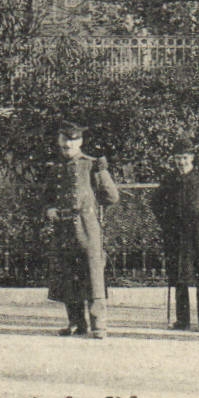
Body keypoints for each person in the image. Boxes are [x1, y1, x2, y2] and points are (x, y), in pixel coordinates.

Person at [45, 123, 121, 339]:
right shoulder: (55, 167)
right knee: (69, 275)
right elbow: (48, 196)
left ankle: (99, 324)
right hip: (63, 228)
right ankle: (76, 323)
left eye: (72, 140)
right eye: (64, 141)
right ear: (59, 142)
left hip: (86, 227)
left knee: (92, 274)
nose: (67, 144)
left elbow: (112, 197)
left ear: (79, 142)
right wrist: (49, 208)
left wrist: (102, 172)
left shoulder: (90, 165)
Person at [149, 142, 199, 331]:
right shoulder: (169, 180)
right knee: (179, 278)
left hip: (198, 234)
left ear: (192, 158)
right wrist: (167, 223)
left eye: (184, 158)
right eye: (178, 158)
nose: (181, 162)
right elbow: (156, 203)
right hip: (177, 234)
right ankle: (182, 320)